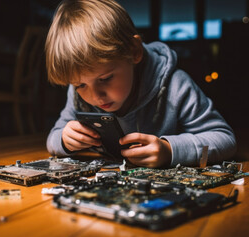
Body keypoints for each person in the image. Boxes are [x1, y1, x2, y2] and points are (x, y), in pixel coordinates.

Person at [45, 0, 236, 168]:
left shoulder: (176, 85)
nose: (95, 96)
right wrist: (64, 139)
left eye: (105, 79)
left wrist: (170, 151)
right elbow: (53, 138)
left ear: (134, 51)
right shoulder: (78, 91)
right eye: (80, 85)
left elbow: (224, 139)